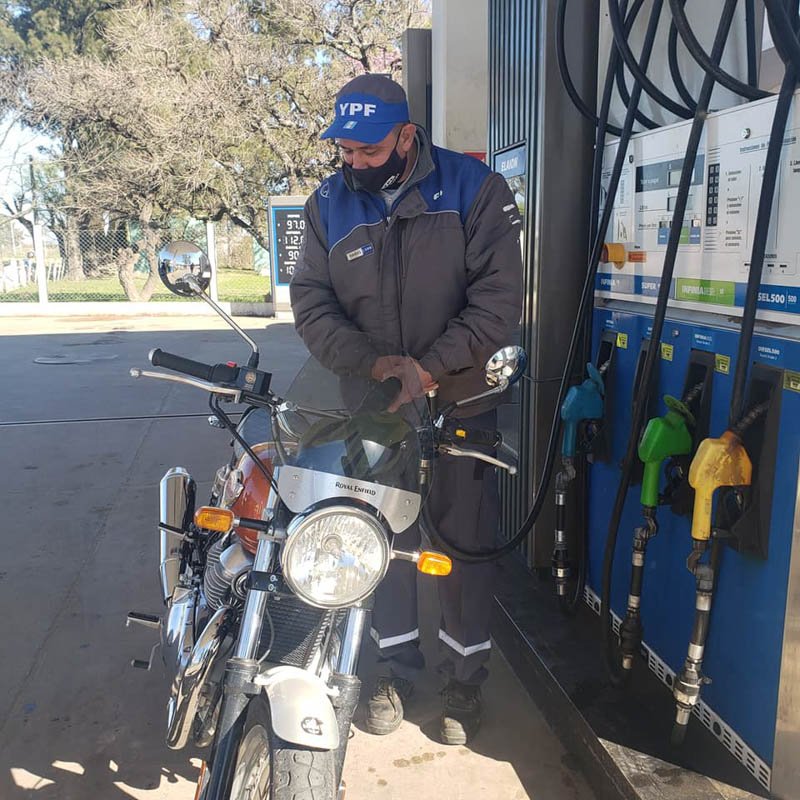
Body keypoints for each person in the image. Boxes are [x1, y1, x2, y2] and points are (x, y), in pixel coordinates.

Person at [290, 74, 523, 745]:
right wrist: (368, 362)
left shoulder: (475, 191)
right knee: (377, 540)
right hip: (372, 408)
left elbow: (498, 301)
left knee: (461, 548)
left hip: (461, 402)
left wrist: (432, 366)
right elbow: (311, 302)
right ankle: (392, 669)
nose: (354, 162)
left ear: (406, 136)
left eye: (368, 149)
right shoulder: (327, 205)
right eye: (345, 150)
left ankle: (462, 681)